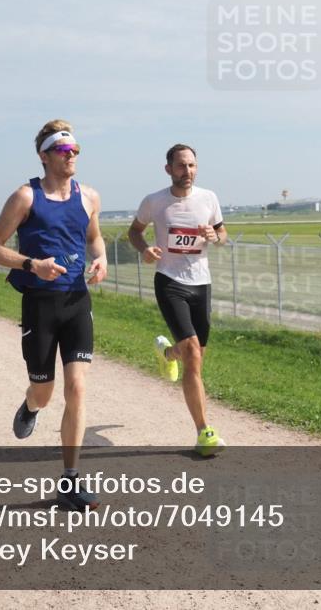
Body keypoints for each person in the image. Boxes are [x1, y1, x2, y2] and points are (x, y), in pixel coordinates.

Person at [0, 120, 107, 512]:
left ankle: (69, 481)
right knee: (45, 391)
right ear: (45, 155)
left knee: (78, 388)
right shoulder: (25, 197)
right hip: (39, 303)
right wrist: (31, 264)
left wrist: (101, 258)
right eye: (63, 150)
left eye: (75, 151)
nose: (71, 157)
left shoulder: (89, 197)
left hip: (76, 301)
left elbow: (94, 237)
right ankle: (31, 406)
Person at [127, 143, 228, 457]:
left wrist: (216, 237)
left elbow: (222, 233)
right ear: (168, 168)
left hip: (202, 283)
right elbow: (135, 231)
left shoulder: (208, 198)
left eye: (193, 166)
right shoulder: (155, 202)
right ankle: (204, 432)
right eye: (182, 166)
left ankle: (167, 353)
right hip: (169, 282)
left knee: (193, 356)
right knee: (194, 355)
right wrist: (144, 249)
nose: (188, 172)